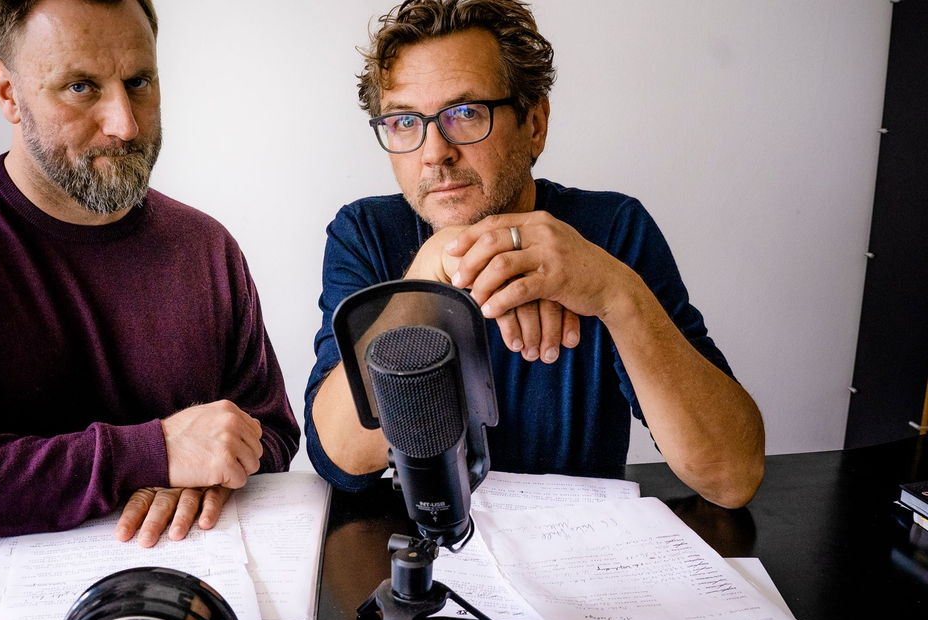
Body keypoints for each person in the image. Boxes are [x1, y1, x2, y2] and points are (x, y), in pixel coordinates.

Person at [0, 0, 299, 550]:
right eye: (80, 87)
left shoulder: (207, 247)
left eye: (139, 81)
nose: (125, 123)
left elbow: (272, 431)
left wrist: (206, 477)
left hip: (186, 594)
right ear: (8, 93)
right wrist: (152, 454)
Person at [306, 0, 764, 508]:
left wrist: (614, 292)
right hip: (423, 556)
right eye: (404, 122)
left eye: (465, 113)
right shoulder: (366, 232)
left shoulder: (612, 231)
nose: (433, 151)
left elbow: (731, 476)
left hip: (585, 556)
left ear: (535, 123)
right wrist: (430, 276)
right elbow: (341, 457)